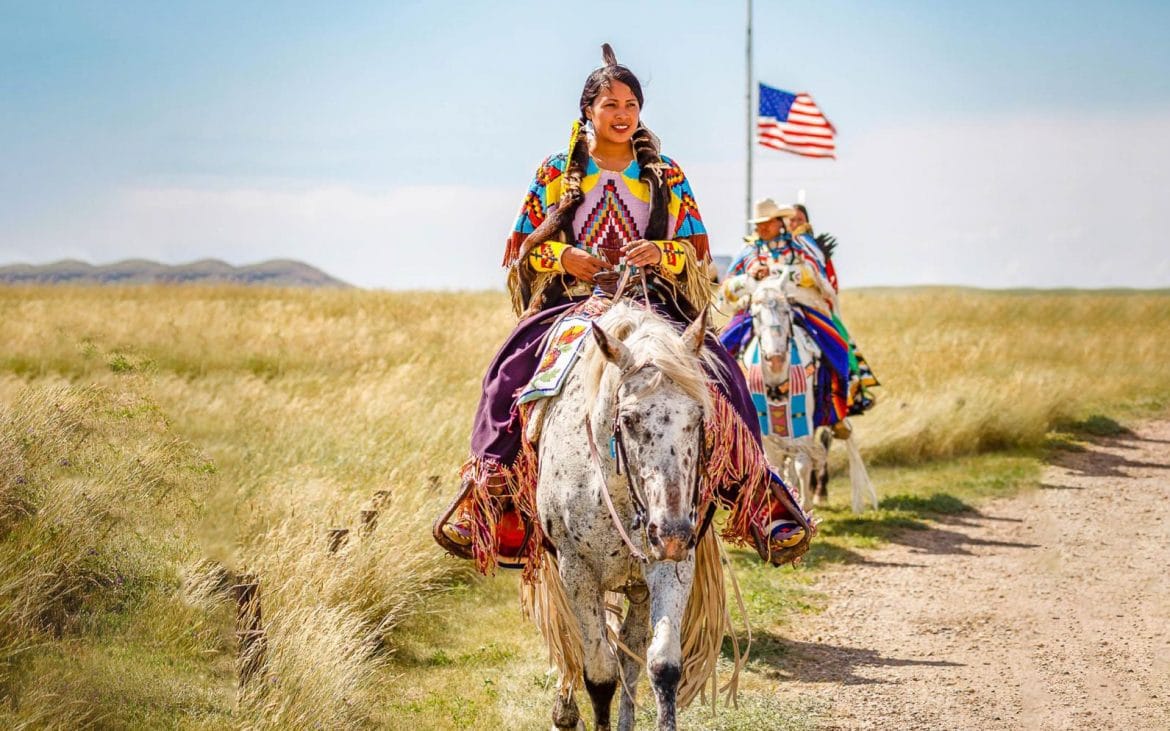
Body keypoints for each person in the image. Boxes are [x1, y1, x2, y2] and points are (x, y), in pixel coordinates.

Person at [433, 45, 811, 575]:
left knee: (723, 372)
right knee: (506, 371)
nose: (622, 114)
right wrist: (568, 256)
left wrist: (661, 252)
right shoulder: (556, 172)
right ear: (587, 109)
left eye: (631, 104)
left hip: (652, 300)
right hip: (574, 303)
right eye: (610, 103)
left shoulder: (666, 174)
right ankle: (491, 500)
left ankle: (759, 499)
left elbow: (696, 250)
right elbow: (524, 248)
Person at [718, 199, 879, 435]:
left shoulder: (798, 247)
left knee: (837, 347)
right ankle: (725, 414)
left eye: (768, 223)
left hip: (797, 307)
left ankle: (835, 412)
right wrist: (748, 278)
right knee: (719, 352)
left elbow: (817, 276)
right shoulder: (748, 252)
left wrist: (788, 273)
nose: (762, 228)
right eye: (759, 223)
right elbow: (726, 289)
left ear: (779, 222)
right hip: (755, 310)